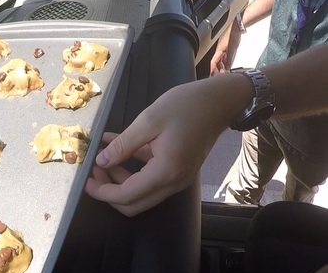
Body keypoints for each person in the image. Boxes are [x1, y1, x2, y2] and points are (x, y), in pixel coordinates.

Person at [84, 42, 328, 217]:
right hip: (261, 113)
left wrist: (224, 99)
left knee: (294, 208)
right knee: (245, 183)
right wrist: (240, 19)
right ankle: (239, 218)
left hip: (312, 139)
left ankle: (283, 219)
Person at [210, 0, 328, 205]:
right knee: (240, 194)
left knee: (293, 212)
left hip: (314, 131)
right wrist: (240, 21)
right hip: (263, 94)